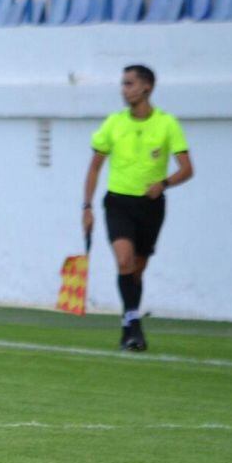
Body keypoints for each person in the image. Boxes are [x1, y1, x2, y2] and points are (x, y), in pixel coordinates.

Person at [82, 65, 193, 351]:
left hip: (151, 206)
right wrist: (87, 206)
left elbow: (187, 169)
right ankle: (134, 325)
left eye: (129, 84)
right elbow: (94, 168)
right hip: (118, 203)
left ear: (147, 87)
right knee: (123, 261)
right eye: (123, 84)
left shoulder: (167, 124)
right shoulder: (113, 123)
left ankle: (128, 324)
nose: (124, 89)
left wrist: (164, 183)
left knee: (136, 271)